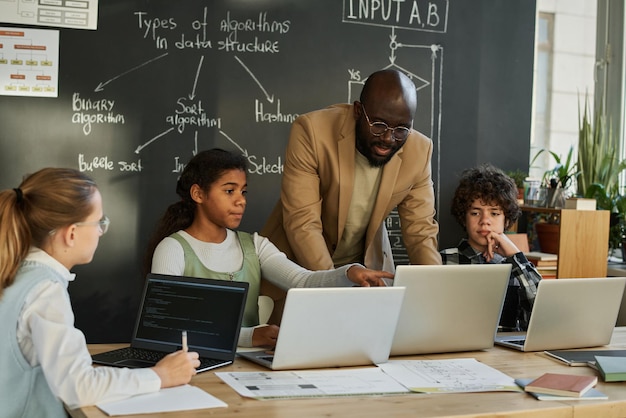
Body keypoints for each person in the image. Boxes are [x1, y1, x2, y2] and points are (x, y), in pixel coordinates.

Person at [0, 168, 199, 417]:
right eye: (99, 222)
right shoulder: (45, 291)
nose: (101, 231)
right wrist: (160, 375)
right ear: (71, 233)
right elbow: (78, 386)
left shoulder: (14, 272)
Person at [145, 148, 394, 348]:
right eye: (229, 190)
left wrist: (348, 273)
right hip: (190, 366)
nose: (241, 200)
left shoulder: (254, 245)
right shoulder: (173, 249)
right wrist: (247, 337)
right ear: (198, 194)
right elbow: (165, 325)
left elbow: (302, 281)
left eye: (243, 191)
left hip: (248, 368)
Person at [261, 68, 441, 274]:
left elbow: (421, 233)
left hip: (365, 271)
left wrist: (435, 287)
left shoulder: (419, 150)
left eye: (401, 129)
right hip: (296, 270)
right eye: (378, 125)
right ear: (357, 110)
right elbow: (303, 224)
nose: (388, 139)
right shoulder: (311, 131)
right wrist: (335, 285)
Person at [440, 163, 542, 331]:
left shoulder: (516, 267)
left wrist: (516, 255)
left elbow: (543, 315)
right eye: (475, 213)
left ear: (506, 220)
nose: (484, 220)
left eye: (494, 213)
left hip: (508, 353)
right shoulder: (442, 261)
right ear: (463, 217)